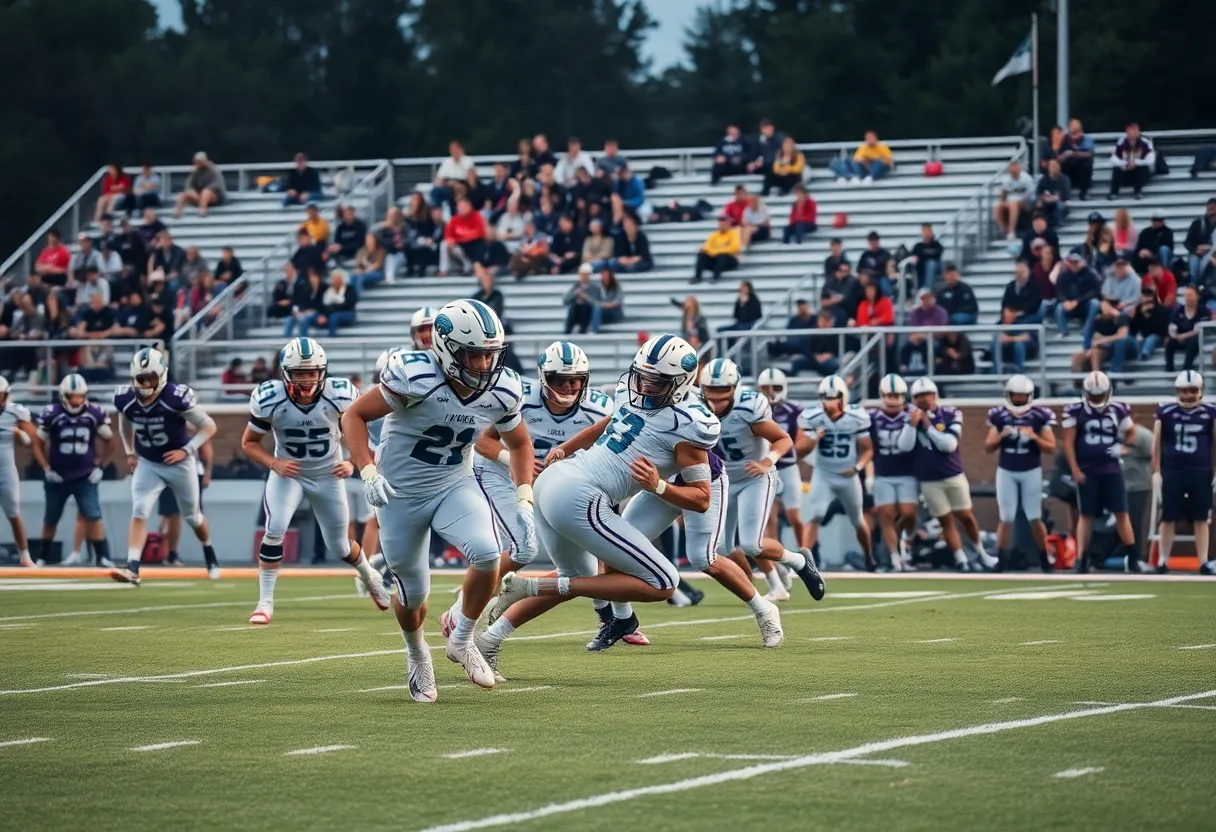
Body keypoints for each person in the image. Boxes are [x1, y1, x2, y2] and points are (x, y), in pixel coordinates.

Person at [340, 300, 535, 700]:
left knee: (486, 553)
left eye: (489, 354)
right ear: (446, 348)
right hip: (399, 494)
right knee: (413, 594)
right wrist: (367, 469)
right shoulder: (414, 375)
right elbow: (353, 416)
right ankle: (417, 655)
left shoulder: (503, 387)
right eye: (473, 354)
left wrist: (524, 496)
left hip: (453, 483)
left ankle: (462, 639)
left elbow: (520, 442)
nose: (483, 365)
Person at [242, 338, 387, 623]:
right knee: (275, 528)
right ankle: (264, 602)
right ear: (285, 373)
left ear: (323, 372)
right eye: (299, 373)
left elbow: (358, 434)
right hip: (290, 475)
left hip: (328, 474)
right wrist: (274, 462)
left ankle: (369, 575)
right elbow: (249, 443)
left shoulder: (340, 394)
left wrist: (350, 462)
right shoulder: (270, 398)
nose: (306, 379)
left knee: (340, 546)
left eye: (311, 372)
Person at [694, 360, 820, 616]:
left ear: (735, 388)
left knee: (752, 545)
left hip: (755, 476)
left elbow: (783, 439)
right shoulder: (694, 405)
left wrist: (767, 460)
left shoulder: (749, 406)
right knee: (721, 548)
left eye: (723, 395)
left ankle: (799, 560)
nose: (716, 403)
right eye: (711, 394)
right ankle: (754, 589)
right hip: (723, 479)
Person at [110, 348, 221, 584]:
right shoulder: (126, 399)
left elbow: (209, 426)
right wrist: (129, 452)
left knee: (193, 517)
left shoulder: (175, 397)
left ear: (161, 376)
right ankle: (133, 568)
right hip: (148, 462)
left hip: (179, 464)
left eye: (151, 377)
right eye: (141, 378)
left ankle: (209, 553)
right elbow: (124, 425)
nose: (146, 383)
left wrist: (186, 450)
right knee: (139, 509)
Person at [1061, 371, 1148, 572]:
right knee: (1086, 515)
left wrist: (1124, 447)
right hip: (1088, 470)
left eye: (1100, 395)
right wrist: (1075, 468)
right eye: (1094, 395)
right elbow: (1068, 443)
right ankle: (1081, 559)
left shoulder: (1118, 409)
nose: (1097, 399)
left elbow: (1132, 433)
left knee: (1121, 513)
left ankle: (1134, 558)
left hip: (1112, 469)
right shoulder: (1075, 410)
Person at [909, 377, 997, 571]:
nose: (924, 399)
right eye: (919, 396)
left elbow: (948, 445)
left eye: (927, 395)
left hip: (952, 474)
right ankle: (961, 559)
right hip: (929, 479)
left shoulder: (950, 413)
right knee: (945, 520)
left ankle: (981, 553)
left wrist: (927, 427)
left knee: (965, 516)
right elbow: (905, 446)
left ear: (935, 395)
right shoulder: (909, 418)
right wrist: (911, 426)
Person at [28, 376, 115, 567]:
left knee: (93, 515)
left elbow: (111, 441)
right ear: (63, 396)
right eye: (72, 396)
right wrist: (46, 467)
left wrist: (100, 467)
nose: (76, 401)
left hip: (84, 475)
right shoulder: (53, 413)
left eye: (79, 396)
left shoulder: (94, 413)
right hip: (57, 476)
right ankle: (42, 556)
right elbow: (38, 443)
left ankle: (103, 556)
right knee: (51, 518)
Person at [794, 375, 874, 568]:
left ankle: (868, 556)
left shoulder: (857, 416)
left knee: (857, 520)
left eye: (834, 397)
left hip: (848, 476)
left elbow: (868, 449)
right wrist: (814, 437)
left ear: (844, 397)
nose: (829, 402)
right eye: (825, 397)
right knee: (816, 514)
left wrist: (857, 467)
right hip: (823, 473)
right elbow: (798, 450)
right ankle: (805, 562)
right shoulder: (812, 416)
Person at [984, 375, 1056, 572]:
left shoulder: (1040, 415)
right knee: (1006, 517)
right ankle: (1001, 560)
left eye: (1022, 397)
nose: (1018, 400)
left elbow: (1051, 447)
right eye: (1015, 396)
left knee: (1034, 517)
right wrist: (1002, 435)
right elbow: (988, 446)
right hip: (1006, 471)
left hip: (1031, 470)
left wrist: (1035, 437)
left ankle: (1044, 560)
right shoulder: (998, 415)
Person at [1154, 372, 1216, 576]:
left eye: (1192, 390)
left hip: (1201, 472)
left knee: (1201, 518)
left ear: (1201, 391)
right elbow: (1157, 443)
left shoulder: (1210, 412)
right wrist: (1156, 470)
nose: (1188, 395)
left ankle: (1203, 562)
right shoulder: (1166, 411)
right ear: (1177, 391)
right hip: (1173, 471)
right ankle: (1163, 560)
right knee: (1168, 517)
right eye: (1184, 391)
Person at [754, 367, 807, 593]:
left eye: (775, 387)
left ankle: (806, 553)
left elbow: (799, 438)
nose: (771, 392)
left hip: (787, 465)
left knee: (795, 515)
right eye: (766, 388)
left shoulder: (793, 410)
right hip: (767, 468)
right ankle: (778, 562)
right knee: (770, 518)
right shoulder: (755, 408)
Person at [868, 374, 917, 571]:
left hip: (907, 472)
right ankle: (895, 557)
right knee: (886, 515)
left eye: (897, 395)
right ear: (882, 395)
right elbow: (868, 447)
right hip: (883, 473)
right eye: (889, 395)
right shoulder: (872, 417)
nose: (893, 399)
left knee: (908, 514)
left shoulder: (911, 414)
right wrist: (870, 475)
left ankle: (906, 543)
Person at [0, 379, 37, 567]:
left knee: (14, 512)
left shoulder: (15, 411)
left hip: (5, 469)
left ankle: (25, 556)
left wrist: (20, 435)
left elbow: (30, 440)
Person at [1053, 253, 1101, 339]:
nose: (1074, 265)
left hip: (1084, 304)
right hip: (1069, 305)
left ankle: (1086, 330)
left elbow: (1095, 291)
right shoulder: (1064, 275)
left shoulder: (1090, 274)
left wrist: (1078, 301)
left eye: (1076, 262)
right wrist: (1065, 301)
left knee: (1095, 304)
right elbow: (1059, 291)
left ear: (1082, 262)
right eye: (1071, 262)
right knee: (1059, 307)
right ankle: (1063, 331)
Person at [901, 289, 948, 373]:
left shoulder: (941, 312)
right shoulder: (916, 312)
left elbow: (942, 332)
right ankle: (904, 368)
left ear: (933, 298)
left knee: (933, 345)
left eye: (928, 298)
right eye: (923, 298)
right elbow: (911, 329)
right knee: (905, 343)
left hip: (934, 339)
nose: (926, 301)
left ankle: (930, 371)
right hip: (918, 339)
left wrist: (925, 336)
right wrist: (918, 336)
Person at [1165, 284, 1208, 372]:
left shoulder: (1203, 311)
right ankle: (1169, 368)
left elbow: (1199, 329)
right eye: (1186, 295)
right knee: (1170, 342)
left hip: (1194, 339)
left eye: (1190, 295)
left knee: (1194, 341)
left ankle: (1187, 367)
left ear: (1197, 297)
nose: (1187, 298)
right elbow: (1172, 327)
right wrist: (1176, 336)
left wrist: (1184, 336)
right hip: (1179, 338)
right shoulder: (1178, 310)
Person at [1108, 123, 1155, 200]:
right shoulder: (1121, 142)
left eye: (1134, 131)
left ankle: (1138, 192)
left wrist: (1136, 163)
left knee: (1143, 168)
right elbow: (1113, 158)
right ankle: (1113, 193)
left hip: (1140, 173)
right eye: (1129, 131)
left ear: (1138, 132)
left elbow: (1150, 160)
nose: (1132, 133)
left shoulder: (1146, 142)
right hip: (1126, 170)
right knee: (1116, 169)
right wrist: (1125, 163)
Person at [174, 151, 226, 218]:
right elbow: (188, 184)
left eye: (199, 162)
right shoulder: (195, 171)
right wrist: (191, 191)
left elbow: (218, 183)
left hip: (214, 196)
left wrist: (207, 189)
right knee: (182, 195)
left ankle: (203, 211)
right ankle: (177, 213)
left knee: (206, 192)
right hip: (198, 196)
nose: (197, 164)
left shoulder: (213, 169)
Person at [692, 215, 741, 284]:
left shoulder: (733, 233)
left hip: (729, 261)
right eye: (720, 224)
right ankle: (697, 277)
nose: (721, 225)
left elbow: (734, 248)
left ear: (728, 224)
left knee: (722, 255)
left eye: (724, 224)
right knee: (702, 254)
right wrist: (716, 251)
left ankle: (715, 277)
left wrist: (716, 251)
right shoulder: (714, 235)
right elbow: (706, 247)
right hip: (716, 259)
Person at [993, 160, 1035, 240]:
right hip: (1011, 201)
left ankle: (1011, 231)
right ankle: (1004, 230)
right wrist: (1001, 201)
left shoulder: (1027, 178)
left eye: (1014, 170)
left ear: (1019, 169)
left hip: (1025, 202)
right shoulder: (1006, 180)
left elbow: (1031, 195)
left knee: (1013, 203)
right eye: (1011, 171)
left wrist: (1025, 202)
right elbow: (1003, 194)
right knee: (997, 206)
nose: (1013, 173)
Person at [1059, 118, 1096, 200]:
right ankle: (1064, 194)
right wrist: (1065, 155)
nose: (1076, 133)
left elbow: (1090, 154)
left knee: (1087, 164)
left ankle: (1083, 193)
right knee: (1061, 165)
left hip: (1081, 168)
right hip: (1069, 169)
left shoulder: (1087, 139)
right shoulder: (1064, 139)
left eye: (1078, 130)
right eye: (1074, 130)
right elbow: (1058, 158)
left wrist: (1075, 153)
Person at [1184, 198, 1216, 284]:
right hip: (1198, 253)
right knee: (1194, 267)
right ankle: (1194, 287)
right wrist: (1196, 250)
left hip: (1213, 254)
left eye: (1213, 209)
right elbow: (1187, 242)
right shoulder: (1198, 223)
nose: (1211, 211)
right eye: (1210, 208)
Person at [318, 269, 358, 337]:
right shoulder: (328, 290)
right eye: (332, 278)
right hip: (330, 313)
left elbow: (348, 304)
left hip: (348, 313)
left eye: (334, 279)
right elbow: (323, 305)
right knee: (311, 317)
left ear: (341, 279)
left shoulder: (350, 289)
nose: (332, 281)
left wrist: (331, 310)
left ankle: (332, 338)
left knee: (334, 317)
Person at [591, 268, 625, 333]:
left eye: (606, 275)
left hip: (614, 312)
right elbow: (595, 301)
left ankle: (595, 330)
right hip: (603, 311)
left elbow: (616, 303)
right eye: (603, 275)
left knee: (598, 308)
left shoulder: (617, 287)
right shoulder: (599, 287)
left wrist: (603, 305)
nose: (604, 278)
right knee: (595, 308)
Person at [563, 265, 594, 334]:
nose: (584, 277)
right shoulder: (575, 286)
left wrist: (586, 298)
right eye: (582, 274)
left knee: (585, 307)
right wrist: (574, 294)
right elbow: (565, 300)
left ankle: (583, 330)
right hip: (576, 311)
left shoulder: (594, 288)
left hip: (588, 311)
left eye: (586, 275)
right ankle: (568, 330)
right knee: (574, 307)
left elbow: (597, 302)